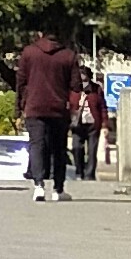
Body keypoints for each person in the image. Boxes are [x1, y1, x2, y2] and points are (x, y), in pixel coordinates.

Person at [11, 23, 82, 202]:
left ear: (40, 33)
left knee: (37, 146)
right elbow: (76, 86)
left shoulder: (28, 53)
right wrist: (72, 108)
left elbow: (21, 82)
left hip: (34, 107)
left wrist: (18, 108)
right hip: (59, 110)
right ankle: (58, 189)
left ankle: (38, 186)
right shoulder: (69, 55)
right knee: (59, 149)